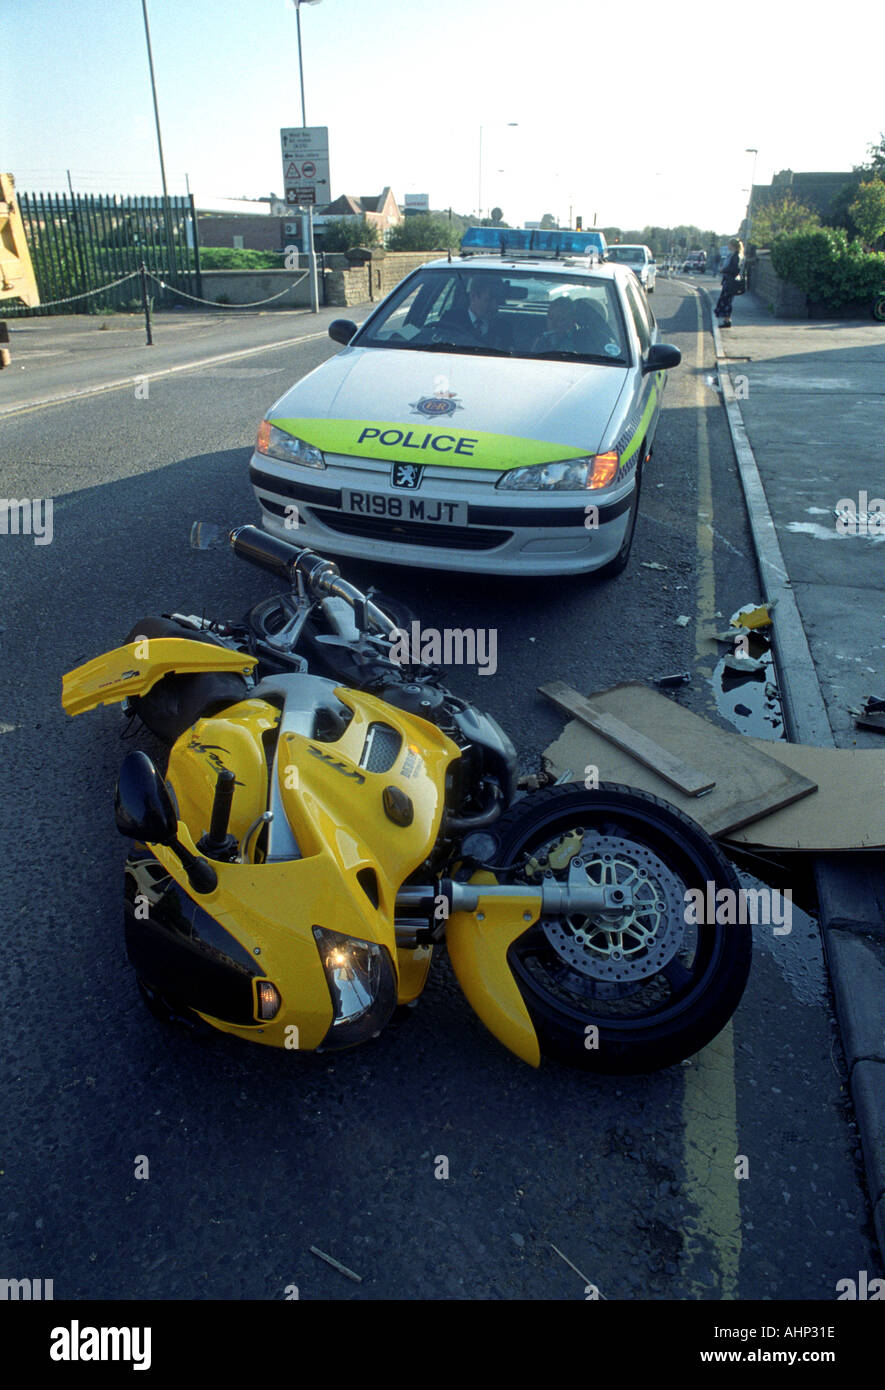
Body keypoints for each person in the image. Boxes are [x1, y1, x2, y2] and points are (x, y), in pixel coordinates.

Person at [715, 237, 744, 328]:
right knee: (725, 300)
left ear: (733, 245)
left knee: (726, 301)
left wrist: (724, 270)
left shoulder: (736, 256)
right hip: (728, 281)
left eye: (729, 244)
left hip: (730, 282)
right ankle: (726, 320)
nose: (728, 246)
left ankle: (727, 321)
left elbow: (735, 269)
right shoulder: (733, 255)